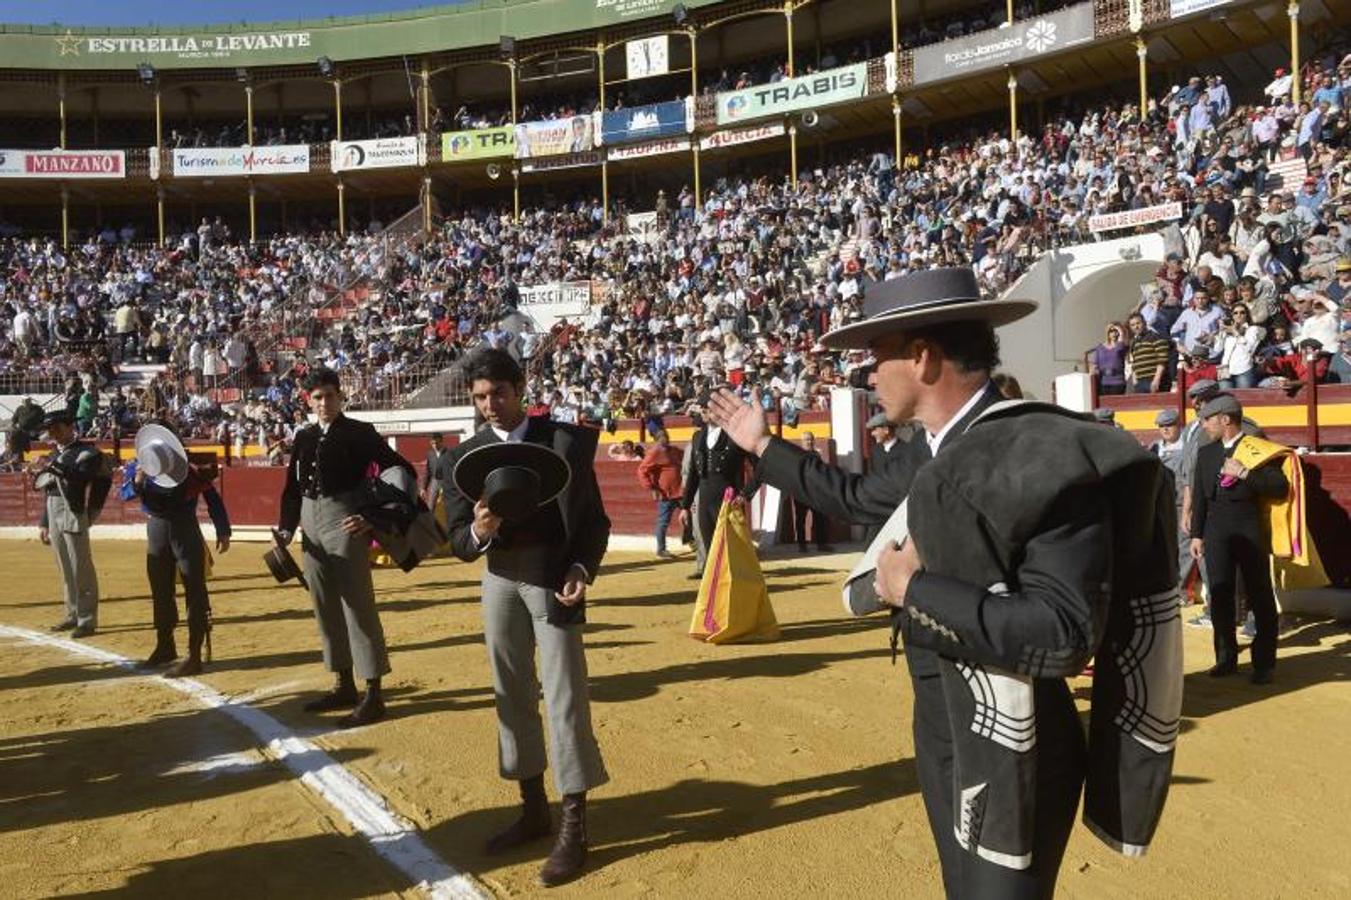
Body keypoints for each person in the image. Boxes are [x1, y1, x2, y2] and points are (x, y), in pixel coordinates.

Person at [706, 267, 1181, 898]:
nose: (867, 375)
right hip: (940, 722)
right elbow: (851, 496)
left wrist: (912, 592)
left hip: (1020, 737)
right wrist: (763, 445)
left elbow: (1064, 634)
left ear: (924, 357)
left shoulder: (1040, 451)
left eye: (878, 357)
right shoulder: (927, 449)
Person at [444, 348, 610, 887]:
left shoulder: (562, 442)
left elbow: (595, 521)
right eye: (480, 397)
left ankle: (573, 824)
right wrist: (481, 532)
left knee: (564, 699)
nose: (491, 405)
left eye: (499, 393)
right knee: (510, 692)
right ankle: (534, 807)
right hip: (498, 579)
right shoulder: (465, 455)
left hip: (554, 580)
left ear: (521, 388)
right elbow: (457, 541)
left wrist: (583, 566)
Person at [276, 368, 415, 728]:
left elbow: (397, 471)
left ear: (341, 397)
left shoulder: (359, 432)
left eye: (330, 396)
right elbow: (292, 488)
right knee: (323, 604)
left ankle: (374, 692)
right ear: (308, 400)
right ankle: (343, 683)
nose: (324, 403)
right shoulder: (304, 436)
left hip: (343, 520)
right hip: (310, 523)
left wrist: (371, 515)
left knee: (358, 605)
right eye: (318, 397)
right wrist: (286, 528)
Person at [1189, 394, 1287, 684]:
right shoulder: (1206, 453)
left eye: (1208, 419)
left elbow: (1279, 488)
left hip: (1248, 527)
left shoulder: (1257, 449)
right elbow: (1200, 495)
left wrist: (1244, 472)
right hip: (1216, 529)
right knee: (1219, 593)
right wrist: (1197, 533)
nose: (1203, 425)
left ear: (1225, 419)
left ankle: (1264, 663)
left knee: (1259, 593)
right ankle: (1225, 658)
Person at [130, 424, 232, 677]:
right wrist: (136, 482)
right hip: (159, 532)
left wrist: (223, 529)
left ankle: (194, 655)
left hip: (184, 532)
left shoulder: (190, 469)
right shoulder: (143, 465)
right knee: (161, 591)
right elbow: (125, 493)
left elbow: (212, 499)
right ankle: (165, 646)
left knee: (194, 591)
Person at [31, 410, 112, 638]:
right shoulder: (57, 453)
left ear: (70, 427)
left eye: (57, 428)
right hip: (54, 508)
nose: (53, 433)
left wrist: (92, 512)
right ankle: (72, 613)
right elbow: (49, 489)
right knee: (64, 565)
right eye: (51, 429)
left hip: (73, 508)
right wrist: (44, 522)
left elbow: (82, 479)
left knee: (80, 565)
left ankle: (87, 620)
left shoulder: (87, 453)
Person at [678, 396, 756, 578]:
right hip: (705, 497)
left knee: (731, 546)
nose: (703, 413)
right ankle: (713, 587)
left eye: (707, 409)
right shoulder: (698, 436)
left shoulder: (735, 435)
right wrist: (685, 506)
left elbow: (759, 468)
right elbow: (694, 476)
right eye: (703, 410)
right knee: (709, 544)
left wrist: (745, 493)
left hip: (729, 498)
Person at [636, 428, 683, 559]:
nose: (665, 439)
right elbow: (641, 471)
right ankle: (661, 550)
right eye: (662, 437)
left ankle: (691, 541)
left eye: (666, 436)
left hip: (681, 491)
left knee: (690, 516)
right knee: (663, 522)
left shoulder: (674, 450)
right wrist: (652, 488)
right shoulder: (654, 453)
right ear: (656, 440)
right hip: (665, 493)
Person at [788, 432, 833, 553]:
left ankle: (821, 544)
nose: (809, 442)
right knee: (800, 520)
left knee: (819, 519)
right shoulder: (796, 455)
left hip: (814, 492)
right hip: (801, 492)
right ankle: (802, 546)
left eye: (811, 440)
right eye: (807, 440)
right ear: (802, 442)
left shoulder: (816, 455)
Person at [422, 432, 454, 513]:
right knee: (431, 506)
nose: (435, 445)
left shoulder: (449, 453)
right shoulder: (430, 454)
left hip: (446, 481)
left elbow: (453, 469)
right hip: (434, 481)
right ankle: (431, 524)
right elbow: (428, 471)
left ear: (441, 441)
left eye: (436, 443)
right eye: (432, 443)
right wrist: (423, 488)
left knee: (448, 505)